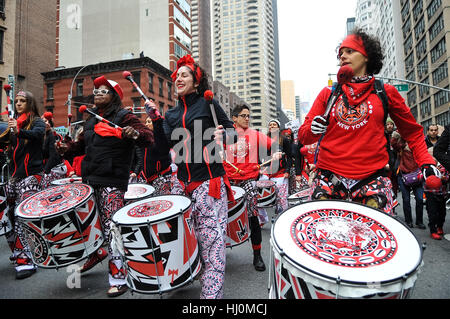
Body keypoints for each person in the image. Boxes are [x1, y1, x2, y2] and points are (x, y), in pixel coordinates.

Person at [297, 28, 438, 216]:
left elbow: (412, 132)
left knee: (374, 243)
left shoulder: (385, 92)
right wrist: (314, 128)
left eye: (349, 51)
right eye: (340, 54)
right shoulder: (328, 94)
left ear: (366, 56)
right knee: (326, 243)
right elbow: (304, 136)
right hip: (329, 181)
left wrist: (427, 163)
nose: (342, 57)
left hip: (372, 182)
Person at [56, 75, 154, 297]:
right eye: (96, 91)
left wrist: (135, 133)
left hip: (112, 181)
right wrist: (65, 149)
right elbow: (79, 147)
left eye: (104, 91)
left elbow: (148, 137)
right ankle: (97, 253)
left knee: (113, 230)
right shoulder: (91, 120)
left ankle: (119, 277)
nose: (98, 94)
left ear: (115, 96)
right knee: (94, 226)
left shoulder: (124, 116)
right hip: (91, 179)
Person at [163, 55, 235, 299]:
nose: (179, 78)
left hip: (209, 183)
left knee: (212, 246)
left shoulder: (209, 104)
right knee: (190, 242)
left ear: (196, 82)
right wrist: (154, 122)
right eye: (177, 75)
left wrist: (223, 136)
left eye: (185, 74)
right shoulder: (171, 114)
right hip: (182, 186)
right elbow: (164, 145)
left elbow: (234, 134)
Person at [223, 104, 280, 272]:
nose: (247, 118)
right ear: (234, 118)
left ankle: (257, 255)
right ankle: (218, 254)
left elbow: (274, 146)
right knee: (220, 217)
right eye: (243, 115)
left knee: (253, 215)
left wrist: (276, 152)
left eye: (248, 116)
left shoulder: (255, 134)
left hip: (248, 178)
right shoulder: (226, 135)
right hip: (229, 180)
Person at [1, 90, 45, 279]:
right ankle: (18, 251)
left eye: (23, 101)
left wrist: (18, 131)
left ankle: (26, 259)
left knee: (21, 217)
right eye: (16, 101)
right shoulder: (12, 124)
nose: (18, 103)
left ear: (30, 103)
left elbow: (36, 135)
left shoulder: (37, 122)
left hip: (32, 176)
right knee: (6, 215)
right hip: (14, 176)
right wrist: (9, 133)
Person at [391, 131, 425, 228]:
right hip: (403, 175)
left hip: (417, 176)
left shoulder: (418, 145)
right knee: (406, 200)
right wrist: (397, 134)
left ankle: (419, 221)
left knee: (419, 199)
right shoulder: (401, 145)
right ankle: (408, 221)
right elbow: (393, 144)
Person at [138, 104, 173, 195]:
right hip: (145, 178)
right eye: (146, 122)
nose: (147, 124)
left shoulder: (161, 137)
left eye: (150, 121)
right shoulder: (144, 138)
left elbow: (164, 152)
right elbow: (139, 156)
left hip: (160, 177)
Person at [261, 119, 292, 212]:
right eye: (270, 125)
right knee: (260, 195)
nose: (272, 126)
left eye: (274, 125)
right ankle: (261, 219)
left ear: (278, 128)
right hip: (266, 172)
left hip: (280, 173)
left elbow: (290, 157)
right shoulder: (264, 139)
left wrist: (287, 171)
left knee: (282, 197)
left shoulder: (284, 140)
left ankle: (282, 214)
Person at [424, 124, 447, 239]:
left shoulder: (443, 164)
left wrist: (443, 178)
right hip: (430, 192)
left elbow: (447, 176)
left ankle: (440, 226)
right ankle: (433, 229)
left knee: (442, 212)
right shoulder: (426, 166)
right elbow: (421, 176)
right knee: (432, 212)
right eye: (430, 155)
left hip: (441, 192)